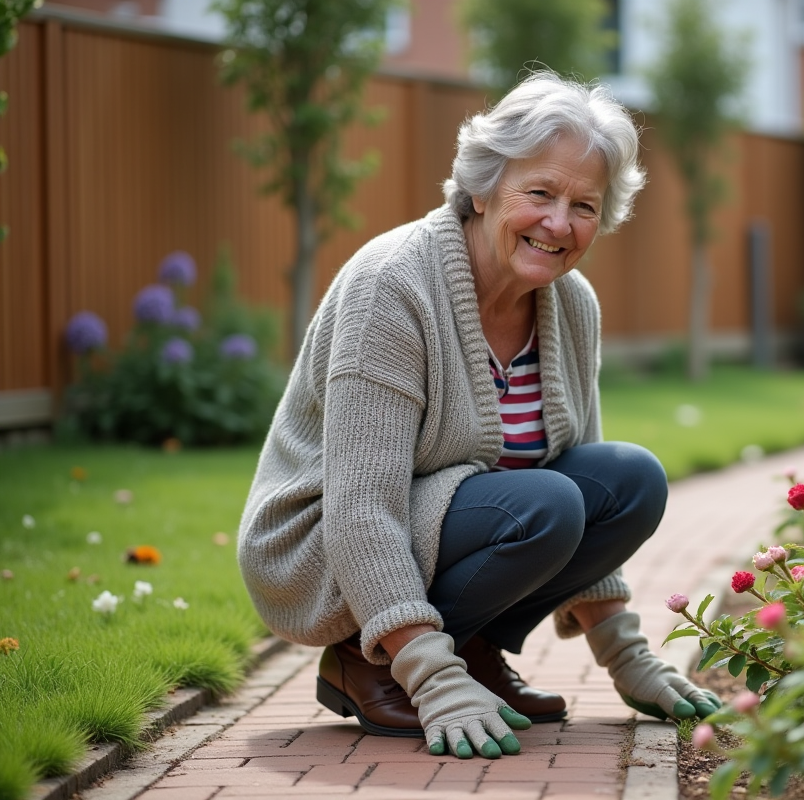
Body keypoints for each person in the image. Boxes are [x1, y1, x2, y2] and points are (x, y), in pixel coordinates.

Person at [237, 72, 718, 760]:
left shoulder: (570, 303)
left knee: (627, 480)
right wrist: (432, 680)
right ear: (485, 187)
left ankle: (473, 647)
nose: (559, 224)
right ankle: (372, 660)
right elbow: (360, 508)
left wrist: (625, 654)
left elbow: (584, 478)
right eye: (541, 193)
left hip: (442, 527)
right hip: (324, 545)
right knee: (545, 505)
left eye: (584, 204)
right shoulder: (394, 287)